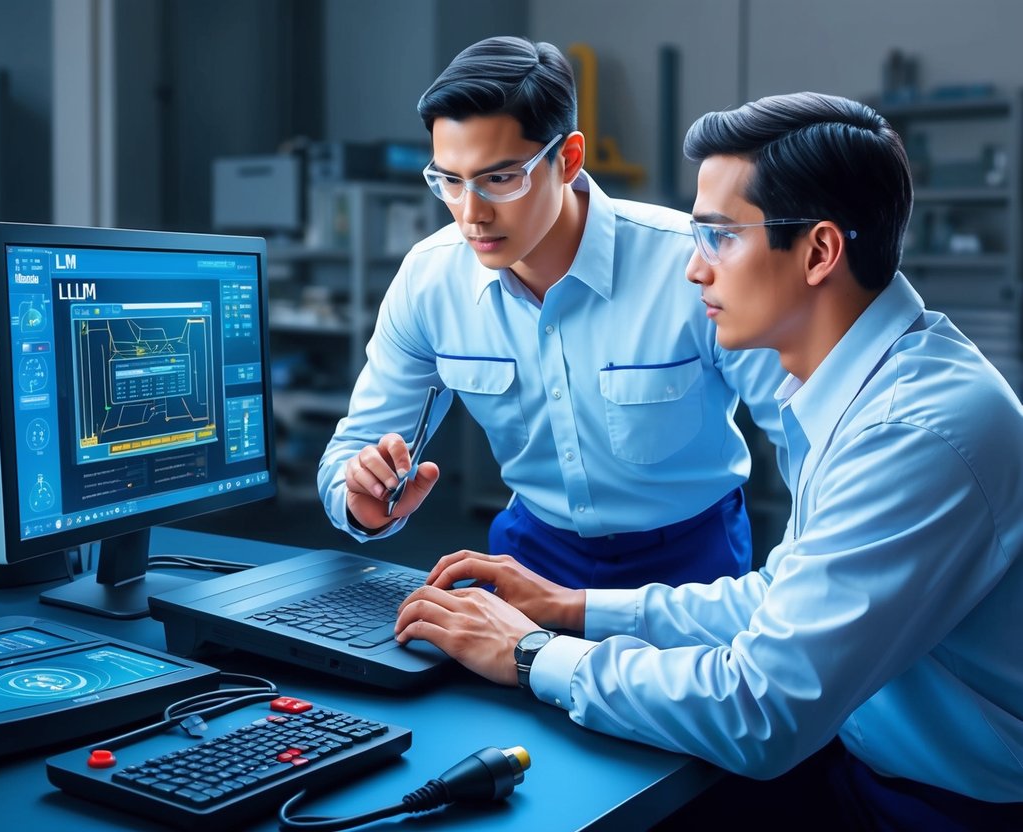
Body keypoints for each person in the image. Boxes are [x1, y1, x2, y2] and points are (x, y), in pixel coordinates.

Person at [394, 91, 1023, 827]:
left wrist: (531, 654)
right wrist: (571, 608)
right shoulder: (862, 385)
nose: (693, 272)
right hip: (872, 764)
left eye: (720, 237)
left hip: (946, 808)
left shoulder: (914, 431)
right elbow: (783, 598)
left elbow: (760, 710)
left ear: (819, 252)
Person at [318, 36, 786, 590]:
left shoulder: (691, 267)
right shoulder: (430, 280)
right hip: (530, 553)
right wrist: (362, 499)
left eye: (499, 178)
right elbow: (351, 452)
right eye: (449, 181)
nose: (472, 215)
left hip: (690, 561)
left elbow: (808, 440)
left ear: (568, 160)